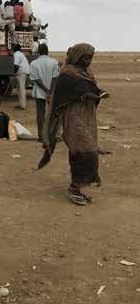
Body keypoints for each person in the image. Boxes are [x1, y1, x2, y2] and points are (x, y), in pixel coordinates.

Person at [39, 43, 109, 206]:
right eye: (86, 58)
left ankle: (78, 187)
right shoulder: (67, 74)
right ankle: (74, 188)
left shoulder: (86, 72)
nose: (88, 61)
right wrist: (84, 96)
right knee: (82, 151)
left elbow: (91, 88)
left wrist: (99, 93)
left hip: (87, 117)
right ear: (77, 57)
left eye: (90, 58)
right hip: (74, 117)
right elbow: (63, 96)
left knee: (88, 150)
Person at [29, 44, 60, 142]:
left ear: (38, 51)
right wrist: (50, 91)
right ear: (47, 51)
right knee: (53, 114)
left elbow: (36, 79)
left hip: (39, 92)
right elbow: (55, 77)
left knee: (40, 114)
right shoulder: (54, 62)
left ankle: (41, 136)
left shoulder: (33, 63)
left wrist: (46, 90)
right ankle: (54, 136)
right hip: (52, 92)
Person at [13, 43, 30, 110]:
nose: (12, 48)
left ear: (15, 48)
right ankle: (21, 104)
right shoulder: (20, 54)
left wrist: (14, 73)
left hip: (21, 72)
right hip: (23, 71)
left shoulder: (17, 54)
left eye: (13, 47)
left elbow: (16, 65)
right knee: (19, 89)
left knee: (21, 89)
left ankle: (23, 105)